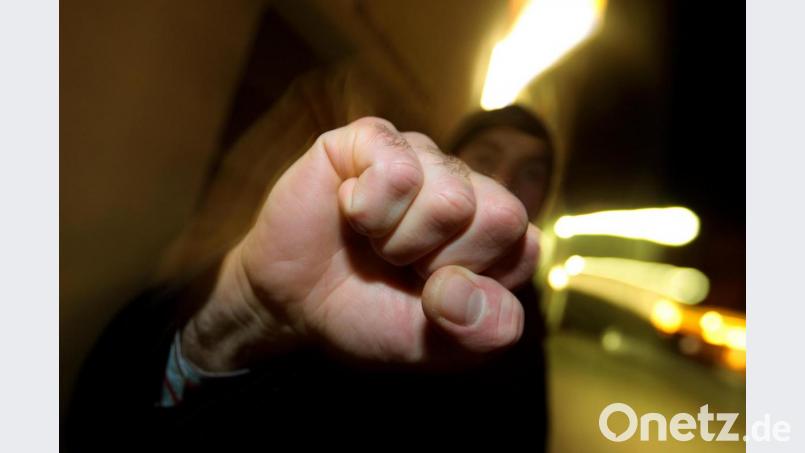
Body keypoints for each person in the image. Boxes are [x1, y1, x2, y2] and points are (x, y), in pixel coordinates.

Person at [65, 106, 556, 451]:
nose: (507, 178)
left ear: (546, 198)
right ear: (452, 162)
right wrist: (252, 310)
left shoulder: (527, 331)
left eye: (532, 172)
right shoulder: (355, 257)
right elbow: (107, 419)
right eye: (487, 156)